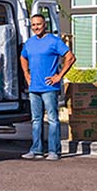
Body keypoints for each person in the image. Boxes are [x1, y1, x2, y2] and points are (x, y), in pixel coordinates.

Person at [20, 14, 76, 161]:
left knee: (52, 119)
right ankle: (36, 150)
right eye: (33, 25)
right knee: (36, 119)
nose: (36, 27)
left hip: (49, 87)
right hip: (34, 87)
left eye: (38, 24)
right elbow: (23, 57)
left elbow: (70, 57)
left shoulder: (53, 41)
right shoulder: (30, 43)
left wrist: (59, 76)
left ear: (45, 25)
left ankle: (54, 151)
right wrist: (26, 74)